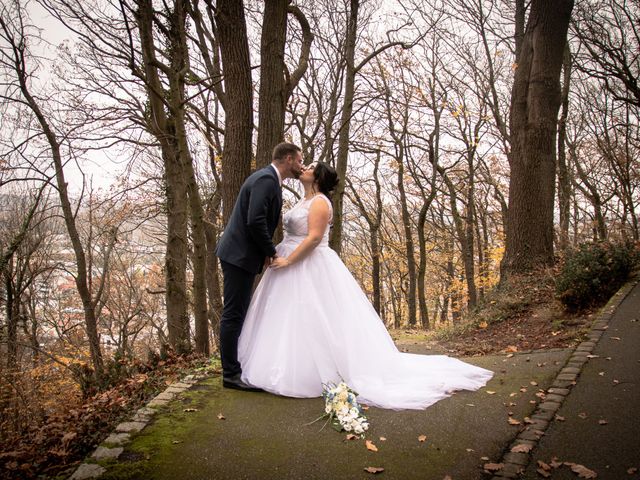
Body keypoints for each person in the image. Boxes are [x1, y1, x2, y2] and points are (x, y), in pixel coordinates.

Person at [237, 162, 493, 410]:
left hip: (307, 263)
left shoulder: (320, 203)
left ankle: (318, 371)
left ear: (318, 178)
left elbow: (314, 238)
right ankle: (283, 365)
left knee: (317, 316)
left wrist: (289, 261)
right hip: (287, 261)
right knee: (288, 316)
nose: (304, 169)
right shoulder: (303, 200)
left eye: (311, 168)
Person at [215, 142, 303, 391]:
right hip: (237, 256)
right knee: (233, 314)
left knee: (237, 312)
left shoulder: (268, 178)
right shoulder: (266, 179)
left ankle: (234, 368)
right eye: (299, 160)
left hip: (241, 255)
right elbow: (255, 221)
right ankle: (230, 374)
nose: (300, 165)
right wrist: (271, 252)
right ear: (288, 159)